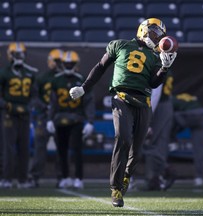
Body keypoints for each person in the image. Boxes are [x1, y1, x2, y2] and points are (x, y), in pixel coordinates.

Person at [69, 18, 177, 207]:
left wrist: (164, 69)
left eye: (160, 34)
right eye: (154, 32)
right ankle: (116, 188)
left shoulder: (154, 56)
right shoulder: (120, 45)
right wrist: (85, 88)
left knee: (137, 149)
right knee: (123, 137)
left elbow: (153, 83)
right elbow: (100, 67)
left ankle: (126, 176)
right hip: (122, 97)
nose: (157, 36)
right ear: (143, 30)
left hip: (144, 102)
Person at [46, 50, 95, 189]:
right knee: (61, 151)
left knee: (77, 150)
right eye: (66, 64)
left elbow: (88, 102)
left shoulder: (81, 79)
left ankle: (79, 178)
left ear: (76, 64)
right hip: (60, 120)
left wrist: (90, 121)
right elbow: (53, 102)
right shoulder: (56, 79)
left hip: (76, 119)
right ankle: (65, 177)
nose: (68, 66)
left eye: (70, 64)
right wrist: (50, 119)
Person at [0, 42, 38, 188]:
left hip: (25, 115)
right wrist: (8, 105)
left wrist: (29, 106)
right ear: (10, 55)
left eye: (21, 54)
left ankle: (22, 179)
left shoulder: (30, 72)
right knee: (7, 148)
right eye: (16, 54)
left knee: (24, 147)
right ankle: (6, 178)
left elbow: (35, 95)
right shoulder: (4, 72)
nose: (19, 57)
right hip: (9, 114)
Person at [28, 48, 64, 187]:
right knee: (39, 149)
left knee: (62, 148)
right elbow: (34, 97)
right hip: (43, 117)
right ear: (50, 61)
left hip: (59, 117)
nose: (58, 64)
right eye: (56, 61)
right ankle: (34, 177)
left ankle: (62, 176)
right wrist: (44, 107)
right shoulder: (42, 77)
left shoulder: (66, 78)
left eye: (60, 61)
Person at [142, 70, 176, 191]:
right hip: (165, 105)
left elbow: (155, 94)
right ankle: (156, 178)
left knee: (149, 143)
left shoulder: (156, 65)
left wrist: (148, 117)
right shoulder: (165, 64)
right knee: (158, 143)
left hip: (158, 106)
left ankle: (158, 175)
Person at [170, 93, 203, 186]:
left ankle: (172, 141)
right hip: (202, 115)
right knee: (199, 149)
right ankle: (199, 177)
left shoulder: (171, 99)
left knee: (170, 118)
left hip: (189, 115)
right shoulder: (187, 97)